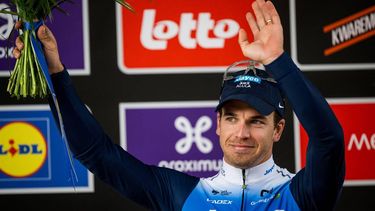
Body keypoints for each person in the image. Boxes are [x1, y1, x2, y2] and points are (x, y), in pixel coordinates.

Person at [13, 0, 345, 210]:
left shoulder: (303, 193)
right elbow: (96, 153)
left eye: (257, 120)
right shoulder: (180, 193)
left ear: (279, 129)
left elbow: (328, 139)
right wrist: (55, 73)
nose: (241, 131)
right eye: (231, 118)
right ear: (217, 124)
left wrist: (276, 60)